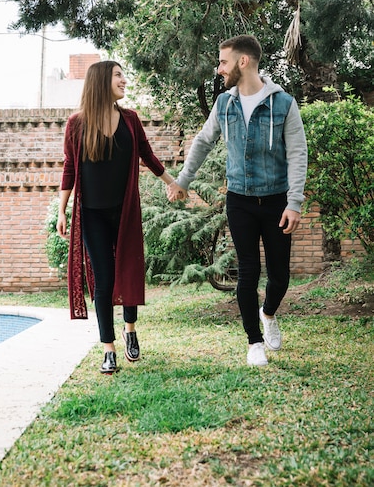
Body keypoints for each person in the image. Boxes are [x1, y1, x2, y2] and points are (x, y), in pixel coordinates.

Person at [167, 35, 307, 367]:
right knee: (247, 271)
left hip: (276, 202)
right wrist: (182, 181)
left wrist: (295, 201)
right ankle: (254, 341)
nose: (219, 70)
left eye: (223, 62)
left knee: (280, 275)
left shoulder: (284, 103)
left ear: (243, 62)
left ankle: (268, 313)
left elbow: (298, 154)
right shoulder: (224, 104)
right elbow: (202, 142)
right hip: (240, 201)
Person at [57, 60, 175, 374]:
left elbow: (147, 155)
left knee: (128, 270)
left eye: (124, 75)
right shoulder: (77, 124)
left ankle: (130, 329)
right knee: (105, 280)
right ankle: (108, 349)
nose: (124, 80)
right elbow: (70, 169)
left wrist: (173, 183)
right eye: (118, 75)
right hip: (92, 215)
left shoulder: (131, 120)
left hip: (125, 211)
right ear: (100, 82)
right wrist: (61, 210)